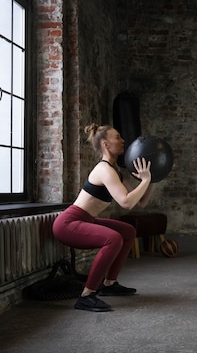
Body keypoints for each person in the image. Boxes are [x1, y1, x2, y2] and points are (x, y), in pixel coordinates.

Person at [53, 124, 154, 312]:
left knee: (127, 231)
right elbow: (126, 203)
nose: (123, 140)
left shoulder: (115, 171)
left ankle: (109, 283)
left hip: (86, 220)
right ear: (106, 144)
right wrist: (145, 181)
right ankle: (86, 295)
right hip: (68, 223)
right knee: (113, 238)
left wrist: (150, 180)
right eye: (118, 137)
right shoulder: (104, 170)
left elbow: (140, 202)